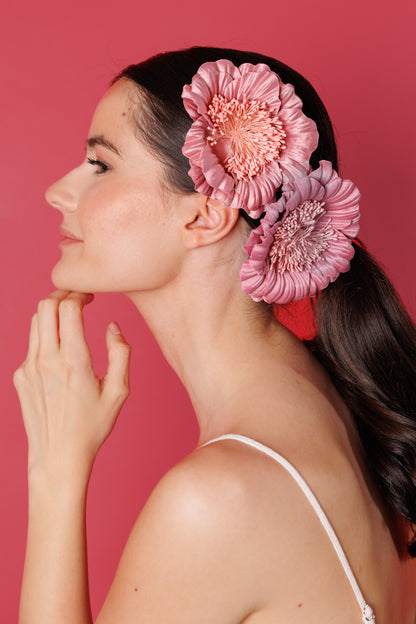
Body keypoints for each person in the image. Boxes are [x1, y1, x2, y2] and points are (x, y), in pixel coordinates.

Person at [13, 47, 416, 624]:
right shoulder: (352, 419)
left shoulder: (217, 502)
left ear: (204, 215)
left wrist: (56, 469)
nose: (58, 191)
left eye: (100, 165)